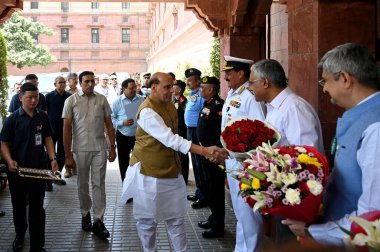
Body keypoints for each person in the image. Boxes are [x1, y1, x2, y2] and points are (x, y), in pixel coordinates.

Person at [282, 43, 380, 245]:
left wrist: (314, 231)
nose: (324, 88)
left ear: (345, 78)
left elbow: (371, 218)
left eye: (324, 81)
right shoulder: (361, 116)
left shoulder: (375, 128)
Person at [120, 72, 228, 252]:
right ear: (154, 87)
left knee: (176, 219)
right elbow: (170, 139)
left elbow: (176, 136)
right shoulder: (147, 111)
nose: (172, 90)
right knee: (147, 221)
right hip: (149, 172)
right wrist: (204, 151)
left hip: (171, 170)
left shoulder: (169, 104)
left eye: (172, 86)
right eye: (167, 87)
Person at [248, 59, 324, 244]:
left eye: (251, 83)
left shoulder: (294, 108)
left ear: (265, 82)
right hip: (283, 193)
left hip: (296, 197)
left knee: (291, 242)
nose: (249, 88)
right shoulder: (275, 106)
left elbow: (307, 159)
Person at [0, 83, 58, 252]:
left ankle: (37, 245)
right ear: (21, 98)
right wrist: (9, 161)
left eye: (36, 97)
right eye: (29, 97)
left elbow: (47, 137)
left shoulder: (43, 117)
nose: (34, 100)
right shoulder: (13, 119)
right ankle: (20, 235)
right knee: (18, 206)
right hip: (17, 171)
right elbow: (4, 143)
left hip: (38, 170)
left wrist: (52, 158)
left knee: (37, 208)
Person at [62, 71, 116, 239]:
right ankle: (85, 213)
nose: (90, 84)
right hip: (80, 149)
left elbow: (109, 124)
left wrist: (112, 147)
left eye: (93, 81)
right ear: (80, 82)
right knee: (82, 184)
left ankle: (99, 220)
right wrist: (68, 155)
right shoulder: (71, 101)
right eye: (86, 81)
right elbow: (66, 129)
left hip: (100, 148)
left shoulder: (101, 99)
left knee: (99, 184)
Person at [221, 56, 266, 252]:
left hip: (245, 162)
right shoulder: (233, 94)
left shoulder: (249, 95)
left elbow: (259, 130)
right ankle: (241, 248)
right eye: (225, 73)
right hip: (232, 160)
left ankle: (252, 249)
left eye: (229, 72)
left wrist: (250, 160)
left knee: (249, 212)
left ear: (241, 73)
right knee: (240, 212)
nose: (226, 76)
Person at [196, 76, 226, 238]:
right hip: (206, 152)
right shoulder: (208, 104)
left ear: (211, 90)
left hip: (214, 155)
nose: (201, 90)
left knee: (216, 189)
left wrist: (214, 153)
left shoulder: (218, 106)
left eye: (203, 88)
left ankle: (218, 226)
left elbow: (219, 132)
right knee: (210, 186)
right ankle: (213, 217)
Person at [184, 67, 209, 209]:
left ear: (198, 81)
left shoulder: (200, 95)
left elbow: (203, 114)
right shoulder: (192, 94)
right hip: (190, 131)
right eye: (187, 80)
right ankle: (199, 191)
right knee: (195, 164)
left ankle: (204, 195)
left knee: (200, 164)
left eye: (190, 80)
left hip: (197, 132)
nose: (187, 83)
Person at [111, 78, 144, 182]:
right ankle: (126, 187)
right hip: (122, 136)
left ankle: (138, 187)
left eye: (135, 87)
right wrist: (122, 123)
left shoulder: (141, 100)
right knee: (124, 163)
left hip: (138, 136)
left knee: (139, 162)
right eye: (131, 88)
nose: (134, 90)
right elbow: (111, 120)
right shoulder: (117, 102)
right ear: (124, 89)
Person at [44, 76, 72, 190]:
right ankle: (48, 181)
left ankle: (56, 176)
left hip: (65, 130)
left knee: (62, 153)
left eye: (64, 82)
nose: (62, 84)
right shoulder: (48, 97)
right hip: (51, 129)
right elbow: (44, 113)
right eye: (60, 82)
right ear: (55, 84)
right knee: (50, 154)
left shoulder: (69, 97)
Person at [172, 80, 189, 184]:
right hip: (177, 130)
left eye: (174, 87)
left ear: (179, 89)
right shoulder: (175, 100)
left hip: (182, 130)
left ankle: (184, 177)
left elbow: (185, 116)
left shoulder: (183, 101)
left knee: (183, 154)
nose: (172, 89)